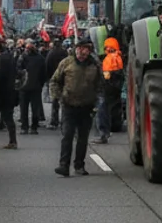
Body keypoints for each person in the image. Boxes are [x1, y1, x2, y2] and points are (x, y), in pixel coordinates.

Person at [50, 37, 102, 176]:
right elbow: (55, 81)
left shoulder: (95, 65)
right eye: (79, 48)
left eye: (84, 48)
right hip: (69, 106)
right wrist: (59, 97)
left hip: (87, 107)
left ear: (89, 50)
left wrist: (97, 102)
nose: (81, 51)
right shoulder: (67, 63)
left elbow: (100, 85)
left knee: (83, 138)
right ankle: (64, 165)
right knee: (67, 135)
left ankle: (79, 165)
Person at [94, 37, 124, 144]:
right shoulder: (118, 57)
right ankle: (113, 126)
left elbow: (107, 75)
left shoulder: (109, 59)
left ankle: (103, 134)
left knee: (102, 110)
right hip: (116, 88)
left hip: (107, 88)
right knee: (112, 107)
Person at [18, 40, 46, 135]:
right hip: (36, 87)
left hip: (25, 87)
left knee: (24, 109)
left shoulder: (22, 57)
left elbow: (17, 71)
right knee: (35, 109)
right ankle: (33, 127)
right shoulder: (40, 58)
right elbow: (44, 74)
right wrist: (40, 84)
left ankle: (24, 127)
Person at [44, 39, 68, 130]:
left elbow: (47, 66)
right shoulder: (65, 53)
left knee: (55, 101)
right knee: (64, 102)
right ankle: (64, 121)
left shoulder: (51, 53)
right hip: (64, 80)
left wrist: (49, 78)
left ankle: (54, 121)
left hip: (54, 80)